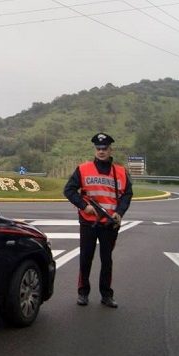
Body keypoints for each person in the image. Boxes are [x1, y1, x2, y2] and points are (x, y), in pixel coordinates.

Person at [64, 132, 133, 309]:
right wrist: (83, 206)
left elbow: (127, 194)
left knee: (106, 260)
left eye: (104, 148)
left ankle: (106, 295)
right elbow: (69, 190)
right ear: (95, 150)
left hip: (109, 223)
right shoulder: (83, 169)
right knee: (86, 258)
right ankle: (83, 293)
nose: (101, 151)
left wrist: (120, 212)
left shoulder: (120, 171)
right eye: (98, 148)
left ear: (110, 150)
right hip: (89, 222)